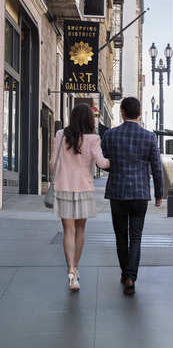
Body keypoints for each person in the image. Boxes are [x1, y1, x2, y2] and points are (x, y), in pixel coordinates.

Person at [102, 97, 163, 295]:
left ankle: (125, 272)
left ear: (122, 112)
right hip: (139, 193)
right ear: (139, 113)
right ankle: (131, 277)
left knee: (120, 236)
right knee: (136, 236)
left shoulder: (110, 135)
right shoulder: (149, 137)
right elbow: (156, 168)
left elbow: (101, 162)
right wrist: (159, 194)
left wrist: (115, 165)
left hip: (117, 192)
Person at [50, 104, 110, 292]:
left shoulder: (60, 135)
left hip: (63, 188)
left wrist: (59, 175)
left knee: (68, 231)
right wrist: (114, 159)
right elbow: (102, 163)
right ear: (90, 120)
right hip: (84, 188)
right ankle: (75, 268)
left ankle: (70, 271)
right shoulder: (93, 139)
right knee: (80, 230)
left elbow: (53, 163)